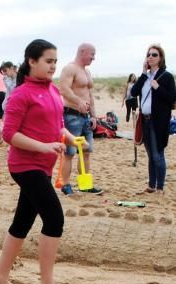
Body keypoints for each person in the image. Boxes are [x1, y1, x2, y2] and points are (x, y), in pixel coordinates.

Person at [0, 39, 76, 284]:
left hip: (43, 165)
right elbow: (9, 134)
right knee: (54, 218)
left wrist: (69, 136)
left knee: (22, 221)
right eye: (48, 61)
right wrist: (43, 146)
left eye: (55, 61)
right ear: (32, 61)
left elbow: (56, 124)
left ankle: (1, 278)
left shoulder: (52, 90)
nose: (53, 66)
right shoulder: (21, 93)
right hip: (24, 166)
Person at [131, 44, 176, 194]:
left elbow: (172, 98)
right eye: (149, 54)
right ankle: (151, 185)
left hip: (159, 121)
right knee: (150, 154)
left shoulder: (166, 76)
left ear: (161, 58)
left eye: (154, 55)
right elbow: (133, 92)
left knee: (158, 155)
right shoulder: (145, 77)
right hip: (144, 119)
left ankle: (160, 187)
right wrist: (144, 74)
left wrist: (158, 87)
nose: (150, 57)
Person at [58, 43, 101, 195]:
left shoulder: (87, 72)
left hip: (85, 117)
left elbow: (89, 96)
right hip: (71, 115)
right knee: (70, 152)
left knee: (86, 151)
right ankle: (66, 185)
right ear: (82, 52)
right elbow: (63, 89)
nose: (93, 58)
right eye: (92, 54)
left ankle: (85, 185)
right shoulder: (70, 68)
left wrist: (94, 115)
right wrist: (78, 101)